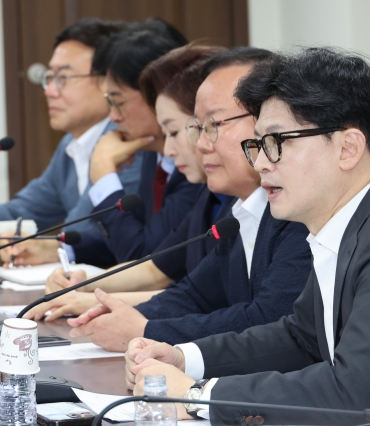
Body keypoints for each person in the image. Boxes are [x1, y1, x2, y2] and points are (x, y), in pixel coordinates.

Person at [125, 47, 370, 425]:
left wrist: (196, 395)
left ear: (348, 148)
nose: (262, 162)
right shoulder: (353, 223)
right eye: (258, 144)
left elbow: (348, 391)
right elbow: (300, 338)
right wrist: (185, 358)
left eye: (277, 142)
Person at [51, 47, 312, 355]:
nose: (199, 145)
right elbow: (193, 294)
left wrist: (146, 329)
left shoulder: (299, 210)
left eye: (213, 125)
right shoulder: (240, 209)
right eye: (197, 128)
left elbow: (268, 320)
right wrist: (119, 313)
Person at [25, 44, 230, 322]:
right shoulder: (202, 188)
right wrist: (81, 287)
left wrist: (103, 176)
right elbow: (155, 269)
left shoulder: (211, 187)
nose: (169, 149)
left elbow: (151, 262)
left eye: (175, 131)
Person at [9, 22, 202, 268]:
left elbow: (141, 254)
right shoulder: (150, 153)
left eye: (116, 101)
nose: (113, 117)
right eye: (49, 77)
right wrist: (62, 247)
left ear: (153, 93)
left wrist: (103, 175)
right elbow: (129, 242)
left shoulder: (191, 162)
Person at [0, 18, 143, 262]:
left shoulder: (129, 142)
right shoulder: (70, 145)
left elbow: (84, 232)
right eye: (49, 77)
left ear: (108, 81)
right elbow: (19, 213)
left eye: (63, 78)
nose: (49, 91)